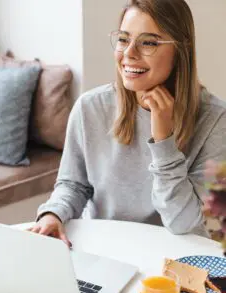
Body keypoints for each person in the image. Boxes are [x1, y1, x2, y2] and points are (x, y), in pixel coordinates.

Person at [29, 0, 226, 246]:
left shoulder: (216, 120)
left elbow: (185, 223)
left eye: (148, 42)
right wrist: (53, 213)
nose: (129, 53)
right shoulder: (90, 107)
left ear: (180, 49)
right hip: (105, 249)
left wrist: (164, 143)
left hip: (172, 258)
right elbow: (74, 184)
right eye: (123, 39)